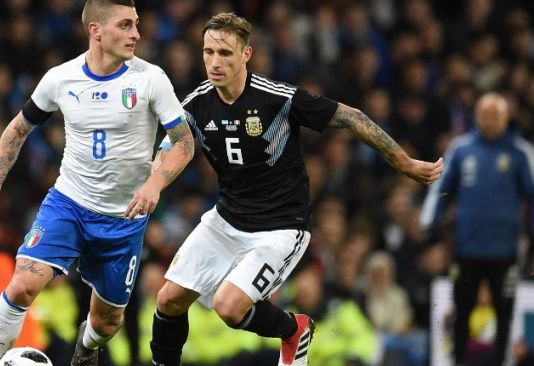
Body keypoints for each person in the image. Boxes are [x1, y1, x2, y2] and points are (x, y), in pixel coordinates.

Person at [150, 12, 443, 366]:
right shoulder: (196, 105)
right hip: (226, 220)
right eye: (208, 51)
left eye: (225, 53)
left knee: (229, 308)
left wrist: (404, 162)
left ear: (246, 54)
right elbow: (173, 146)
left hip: (281, 227)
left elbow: (353, 118)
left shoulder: (277, 99)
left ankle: (294, 329)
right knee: (168, 300)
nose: (214, 62)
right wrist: (153, 184)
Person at [0, 1, 194, 365]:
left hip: (123, 220)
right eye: (126, 25)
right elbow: (17, 129)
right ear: (95, 31)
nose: (136, 34)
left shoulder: (150, 79)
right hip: (68, 204)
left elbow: (183, 143)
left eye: (136, 25)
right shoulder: (60, 78)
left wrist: (154, 185)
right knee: (22, 285)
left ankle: (86, 347)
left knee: (108, 322)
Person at [420, 92, 534, 366]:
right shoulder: (460, 150)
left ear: (506, 117)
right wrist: (430, 223)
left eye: (495, 114)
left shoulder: (520, 152)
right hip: (467, 249)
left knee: (504, 312)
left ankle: (501, 361)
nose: (489, 120)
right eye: (484, 114)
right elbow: (442, 189)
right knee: (462, 310)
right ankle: (458, 361)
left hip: (505, 250)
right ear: (476, 116)